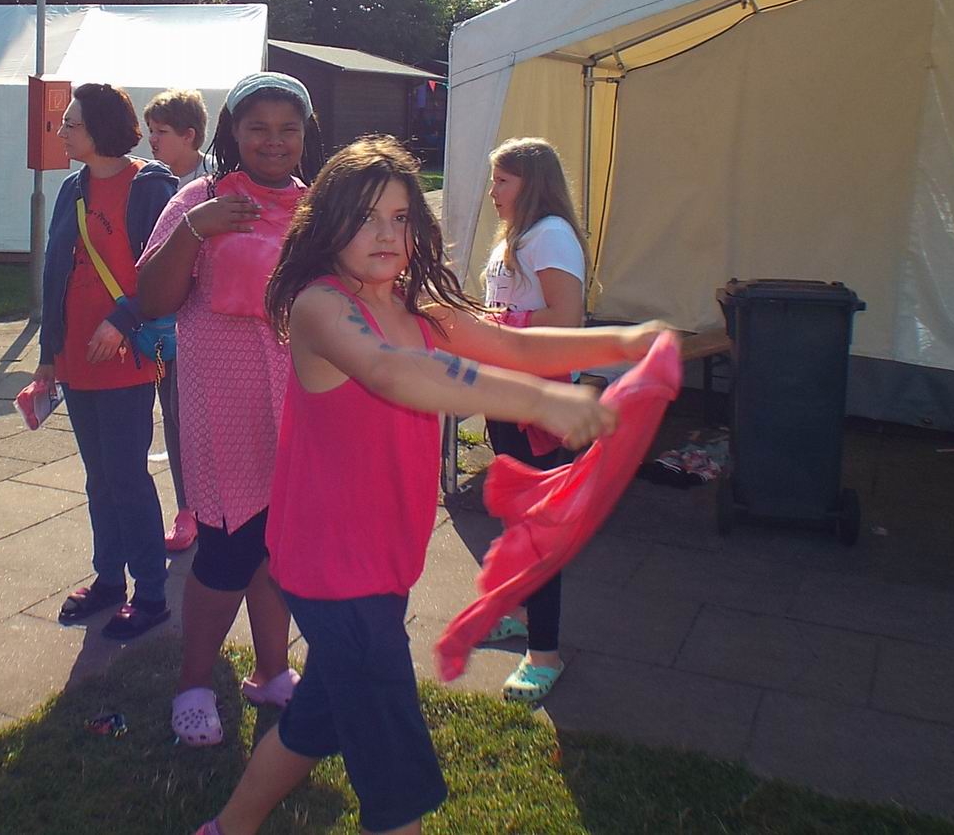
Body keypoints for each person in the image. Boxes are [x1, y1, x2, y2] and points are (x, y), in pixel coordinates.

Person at [195, 136, 664, 835]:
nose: (386, 234)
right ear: (327, 224)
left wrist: (619, 343)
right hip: (333, 570)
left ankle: (228, 827)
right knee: (398, 787)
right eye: (365, 218)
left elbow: (512, 344)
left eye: (399, 218)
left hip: (383, 560)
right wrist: (541, 402)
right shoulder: (323, 306)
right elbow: (396, 372)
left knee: (319, 718)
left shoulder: (416, 305)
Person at [137, 72, 322, 747]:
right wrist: (195, 229)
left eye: (288, 129)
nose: (273, 141)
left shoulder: (317, 208)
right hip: (223, 404)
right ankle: (193, 683)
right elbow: (151, 298)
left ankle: (270, 672)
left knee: (279, 546)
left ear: (305, 134)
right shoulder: (200, 198)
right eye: (257, 128)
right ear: (232, 133)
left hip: (301, 402)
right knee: (226, 548)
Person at [33, 83, 178, 640]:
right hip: (76, 358)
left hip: (127, 358)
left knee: (126, 476)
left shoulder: (150, 186)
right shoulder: (72, 187)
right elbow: (55, 275)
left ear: (100, 129)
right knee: (99, 478)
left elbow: (169, 273)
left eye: (71, 124)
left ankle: (151, 593)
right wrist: (48, 355)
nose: (62, 132)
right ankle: (109, 580)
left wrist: (122, 320)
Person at [481, 137, 589, 702]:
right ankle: (522, 614)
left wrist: (495, 324)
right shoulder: (518, 236)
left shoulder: (549, 234)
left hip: (538, 405)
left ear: (533, 183)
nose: (492, 191)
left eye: (503, 180)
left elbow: (566, 319)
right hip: (509, 398)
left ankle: (545, 654)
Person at [142, 89, 212, 553]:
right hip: (162, 328)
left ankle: (211, 504)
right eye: (150, 131)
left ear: (189, 135)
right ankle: (188, 508)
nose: (152, 140)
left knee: (203, 418)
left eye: (161, 132)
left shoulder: (215, 184)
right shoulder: (150, 183)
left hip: (204, 327)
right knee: (173, 413)